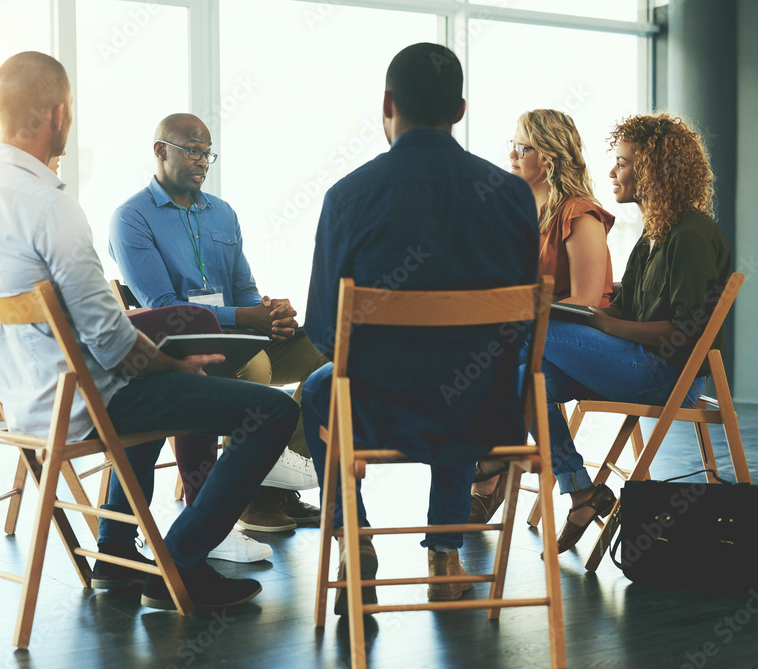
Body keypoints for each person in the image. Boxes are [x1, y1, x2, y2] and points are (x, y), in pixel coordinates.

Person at [0, 51, 300, 610]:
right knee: (273, 410)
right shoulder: (51, 208)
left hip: (24, 399)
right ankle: (179, 562)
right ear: (59, 115)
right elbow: (111, 344)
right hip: (83, 401)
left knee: (161, 373)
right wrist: (172, 363)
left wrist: (157, 356)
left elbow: (94, 332)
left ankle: (113, 544)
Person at [302, 43, 540, 609]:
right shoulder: (510, 197)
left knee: (317, 391)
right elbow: (519, 327)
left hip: (379, 408)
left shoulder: (348, 196)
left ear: (387, 104)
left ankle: (352, 536)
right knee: (472, 373)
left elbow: (322, 330)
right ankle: (445, 552)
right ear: (459, 110)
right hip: (488, 412)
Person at [109, 113, 327, 533]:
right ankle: (242, 495)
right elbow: (164, 305)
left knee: (324, 347)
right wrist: (245, 316)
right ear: (160, 151)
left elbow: (243, 287)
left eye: (207, 153)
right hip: (183, 348)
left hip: (239, 336)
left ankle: (271, 482)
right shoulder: (131, 217)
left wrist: (268, 313)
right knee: (258, 367)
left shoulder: (223, 214)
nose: (202, 161)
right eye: (192, 150)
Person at [534, 112, 732, 553]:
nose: (612, 172)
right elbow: (625, 305)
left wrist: (601, 322)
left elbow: (685, 331)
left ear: (653, 170)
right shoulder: (653, 235)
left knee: (523, 334)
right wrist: (584, 312)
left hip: (669, 375)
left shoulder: (690, 235)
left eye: (622, 163)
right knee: (531, 378)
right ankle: (581, 492)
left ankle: (489, 463)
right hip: (640, 363)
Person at [470, 109, 616, 524]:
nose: (511, 154)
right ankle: (579, 489)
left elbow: (587, 303)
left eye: (523, 146)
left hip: (578, 348)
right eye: (512, 143)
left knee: (498, 365)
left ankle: (487, 469)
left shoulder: (579, 214)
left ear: (549, 157)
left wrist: (519, 314)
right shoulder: (515, 211)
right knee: (504, 369)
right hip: (530, 345)